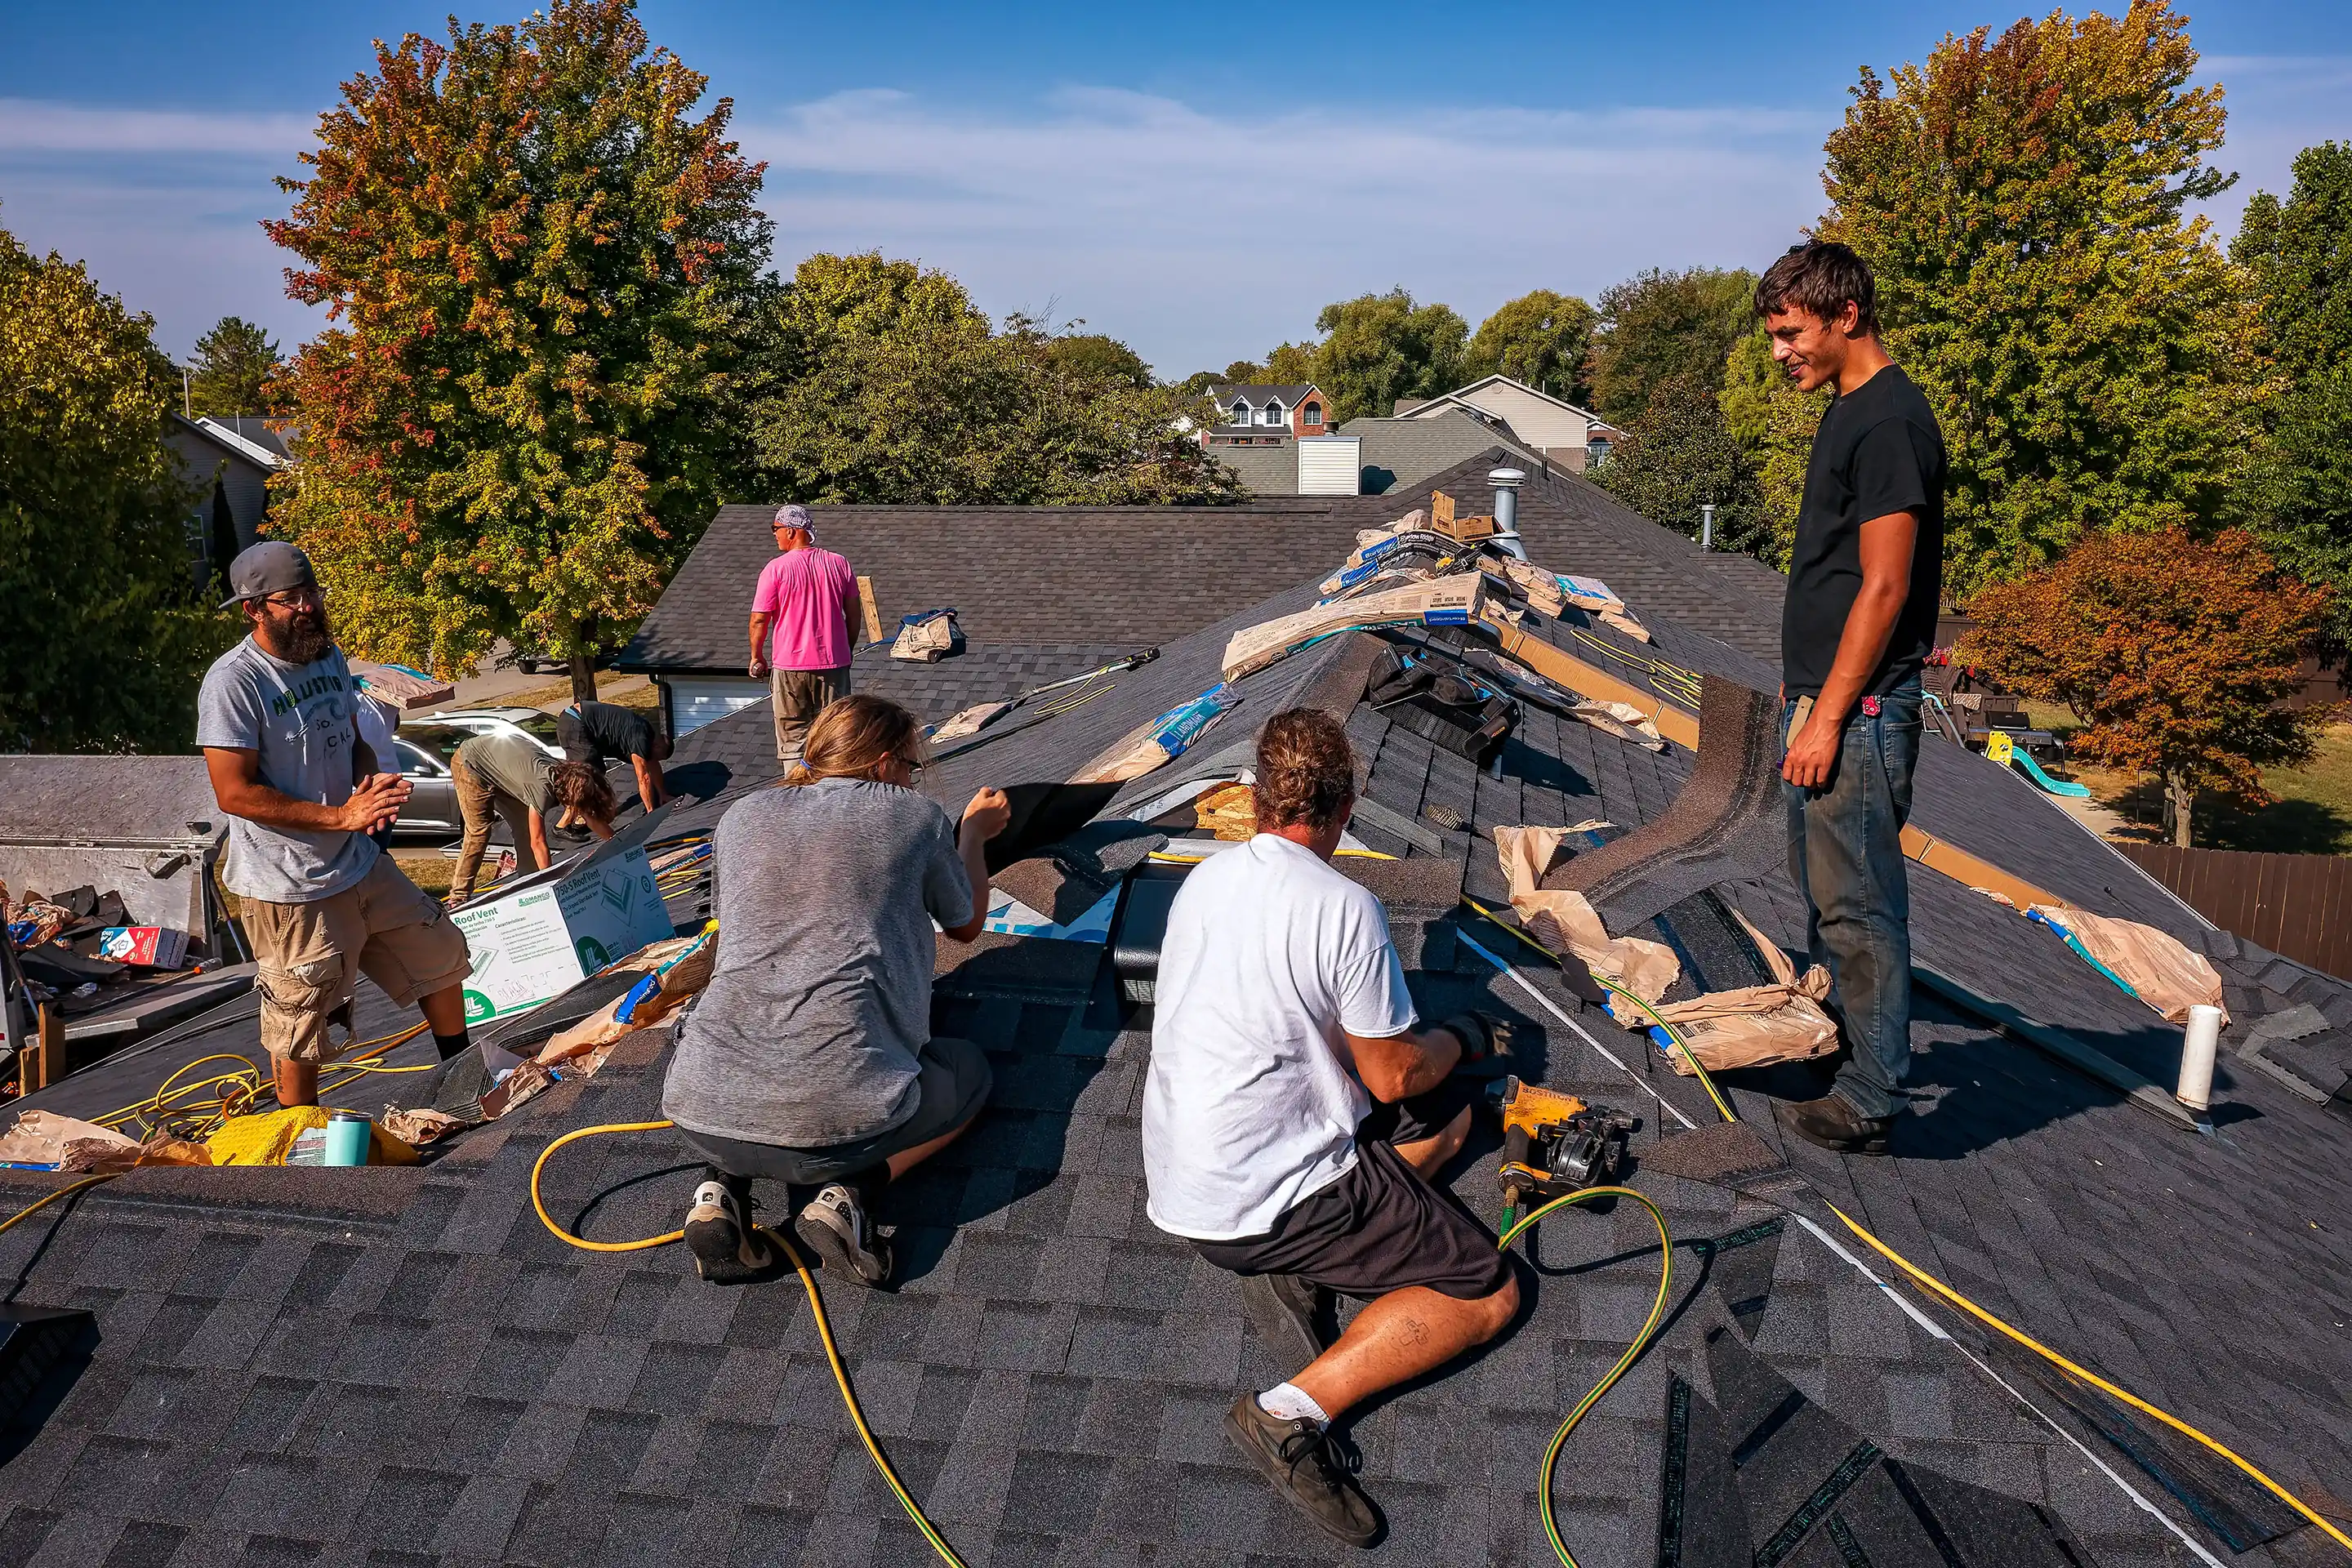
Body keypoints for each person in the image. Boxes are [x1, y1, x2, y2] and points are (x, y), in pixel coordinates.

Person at [1142, 709, 1518, 1547]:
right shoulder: (1345, 907)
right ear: (1346, 808)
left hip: (1186, 1180)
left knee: (1450, 1125)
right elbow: (1390, 1073)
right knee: (1489, 1291)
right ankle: (1285, 1416)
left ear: (1254, 801)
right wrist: (1459, 1037)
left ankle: (1296, 1263)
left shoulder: (1203, 880)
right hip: (1267, 1196)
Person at [661, 694, 1010, 1286]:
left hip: (699, 1105)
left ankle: (719, 1192)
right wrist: (973, 835)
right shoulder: (913, 815)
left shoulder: (741, 816)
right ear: (881, 763)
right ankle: (848, 1196)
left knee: (754, 1071)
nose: (909, 777)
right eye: (908, 765)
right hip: (838, 1125)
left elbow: (738, 922)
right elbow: (967, 925)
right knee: (968, 1071)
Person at [1758, 240, 1948, 1154]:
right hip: (1826, 702)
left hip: (1860, 713)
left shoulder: (1889, 424)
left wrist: (1830, 715)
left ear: (1846, 317)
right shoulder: (1849, 412)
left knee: (1862, 907)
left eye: (1792, 333)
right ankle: (1843, 1053)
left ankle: (1871, 1098)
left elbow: (1885, 587)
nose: (1781, 350)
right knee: (1828, 897)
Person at [195, 542, 477, 1106]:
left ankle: (463, 1081)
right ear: (254, 609)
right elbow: (233, 792)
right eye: (291, 599)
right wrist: (341, 815)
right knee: (302, 1018)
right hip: (291, 885)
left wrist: (368, 782)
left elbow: (354, 744)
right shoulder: (234, 682)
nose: (307, 607)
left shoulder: (326, 656)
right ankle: (299, 1135)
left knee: (439, 952)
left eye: (312, 593)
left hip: (357, 860)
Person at [447, 729, 618, 902]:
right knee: (479, 832)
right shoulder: (542, 789)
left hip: (498, 761)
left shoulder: (570, 777)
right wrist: (552, 885)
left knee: (525, 828)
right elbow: (538, 842)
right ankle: (459, 896)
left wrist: (619, 843)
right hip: (471, 763)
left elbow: (590, 816)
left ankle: (529, 881)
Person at [746, 503, 859, 764]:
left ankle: (797, 795)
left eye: (776, 528)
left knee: (793, 739)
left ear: (792, 531)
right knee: (834, 736)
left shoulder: (776, 569)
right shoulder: (839, 564)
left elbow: (759, 619)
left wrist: (756, 656)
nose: (774, 534)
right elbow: (854, 615)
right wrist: (846, 649)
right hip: (834, 665)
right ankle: (832, 796)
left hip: (790, 667)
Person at [558, 698, 673, 810]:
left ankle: (583, 812)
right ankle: (578, 818)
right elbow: (644, 778)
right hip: (575, 723)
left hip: (576, 721)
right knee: (589, 775)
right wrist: (651, 811)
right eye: (659, 757)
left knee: (593, 773)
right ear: (657, 746)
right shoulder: (641, 740)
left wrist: (662, 794)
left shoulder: (647, 733)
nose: (654, 760)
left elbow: (653, 764)